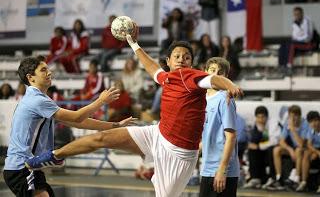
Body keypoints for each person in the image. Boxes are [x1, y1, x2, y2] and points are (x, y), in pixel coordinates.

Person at [25, 28, 242, 197]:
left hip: (179, 154)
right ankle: (55, 156)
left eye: (187, 57)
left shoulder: (192, 77)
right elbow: (151, 67)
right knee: (101, 138)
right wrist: (133, 43)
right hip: (157, 134)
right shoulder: (166, 78)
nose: (182, 59)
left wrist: (229, 84)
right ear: (168, 62)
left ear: (192, 63)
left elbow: (214, 79)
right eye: (177, 56)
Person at [2, 55, 134, 197]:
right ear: (31, 77)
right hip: (22, 167)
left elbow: (78, 122)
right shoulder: (36, 100)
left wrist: (114, 125)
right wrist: (101, 101)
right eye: (43, 70)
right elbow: (77, 117)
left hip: (26, 167)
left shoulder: (39, 99)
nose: (49, 72)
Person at [199, 57, 239, 197]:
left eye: (220, 72)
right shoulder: (202, 99)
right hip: (207, 168)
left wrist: (222, 169)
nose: (215, 75)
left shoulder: (224, 99)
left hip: (221, 171)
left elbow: (231, 137)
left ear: (226, 77)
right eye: (212, 70)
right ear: (205, 72)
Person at [267, 105, 309, 190]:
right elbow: (281, 141)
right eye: (291, 116)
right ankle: (279, 178)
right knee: (276, 150)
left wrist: (293, 130)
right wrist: (289, 150)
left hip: (304, 148)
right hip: (293, 148)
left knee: (298, 150)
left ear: (299, 116)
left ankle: (296, 179)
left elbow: (301, 144)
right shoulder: (287, 123)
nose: (293, 119)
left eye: (295, 116)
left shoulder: (305, 124)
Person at [244, 106, 270, 189]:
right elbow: (252, 140)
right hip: (259, 150)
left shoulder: (270, 126)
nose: (260, 120)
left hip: (269, 150)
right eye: (258, 117)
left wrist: (258, 146)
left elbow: (269, 141)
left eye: (262, 117)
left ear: (266, 117)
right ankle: (254, 178)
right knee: (252, 150)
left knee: (256, 149)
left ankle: (259, 179)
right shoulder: (254, 127)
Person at [296, 111, 320, 192]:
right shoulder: (311, 130)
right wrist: (316, 152)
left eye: (316, 120)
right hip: (315, 149)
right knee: (306, 153)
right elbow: (309, 144)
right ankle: (303, 182)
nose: (314, 123)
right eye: (311, 122)